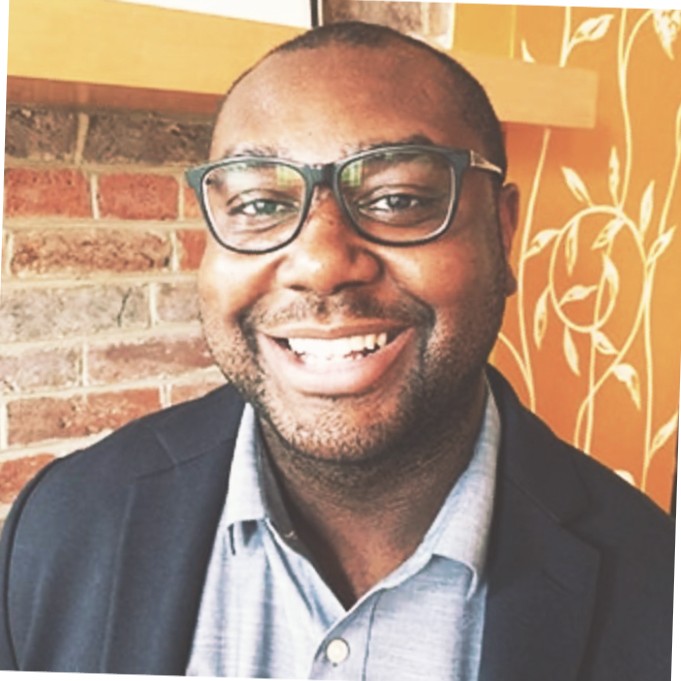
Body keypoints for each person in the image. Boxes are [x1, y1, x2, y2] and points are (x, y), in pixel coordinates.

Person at [0, 21, 673, 680]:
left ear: (501, 232)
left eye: (397, 199)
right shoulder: (63, 524)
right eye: (260, 205)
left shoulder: (654, 584)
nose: (320, 264)